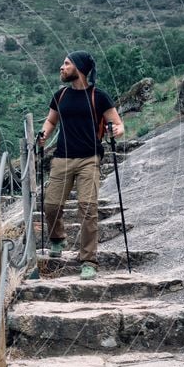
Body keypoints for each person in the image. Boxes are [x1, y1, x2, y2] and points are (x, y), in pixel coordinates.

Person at [37, 50, 124, 280]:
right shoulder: (61, 96)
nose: (61, 67)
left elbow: (118, 123)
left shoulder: (99, 96)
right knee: (51, 205)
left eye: (66, 64)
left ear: (80, 68)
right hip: (63, 157)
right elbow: (50, 121)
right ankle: (58, 238)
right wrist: (43, 134)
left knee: (88, 209)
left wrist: (116, 130)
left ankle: (88, 261)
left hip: (89, 158)